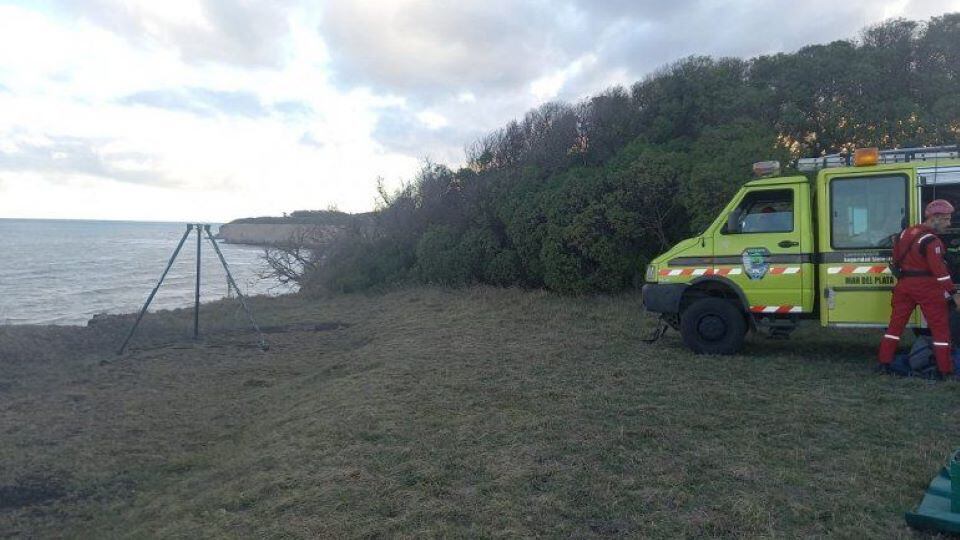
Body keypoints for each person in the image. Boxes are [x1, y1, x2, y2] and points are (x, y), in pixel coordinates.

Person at [878, 199, 960, 377]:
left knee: (894, 327)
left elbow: (896, 259)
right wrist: (954, 294)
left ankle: (884, 363)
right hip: (927, 288)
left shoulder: (904, 234)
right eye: (946, 219)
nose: (948, 223)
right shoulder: (932, 241)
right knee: (940, 330)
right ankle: (944, 370)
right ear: (935, 218)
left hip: (904, 286)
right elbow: (941, 272)